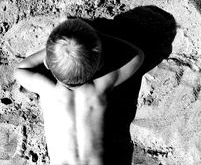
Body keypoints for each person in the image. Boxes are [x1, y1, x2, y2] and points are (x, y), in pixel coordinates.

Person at [14, 18, 144, 165]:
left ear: (47, 63)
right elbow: (137, 55)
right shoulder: (99, 88)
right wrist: (97, 36)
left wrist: (50, 52)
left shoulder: (47, 89)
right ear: (100, 65)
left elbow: (20, 70)